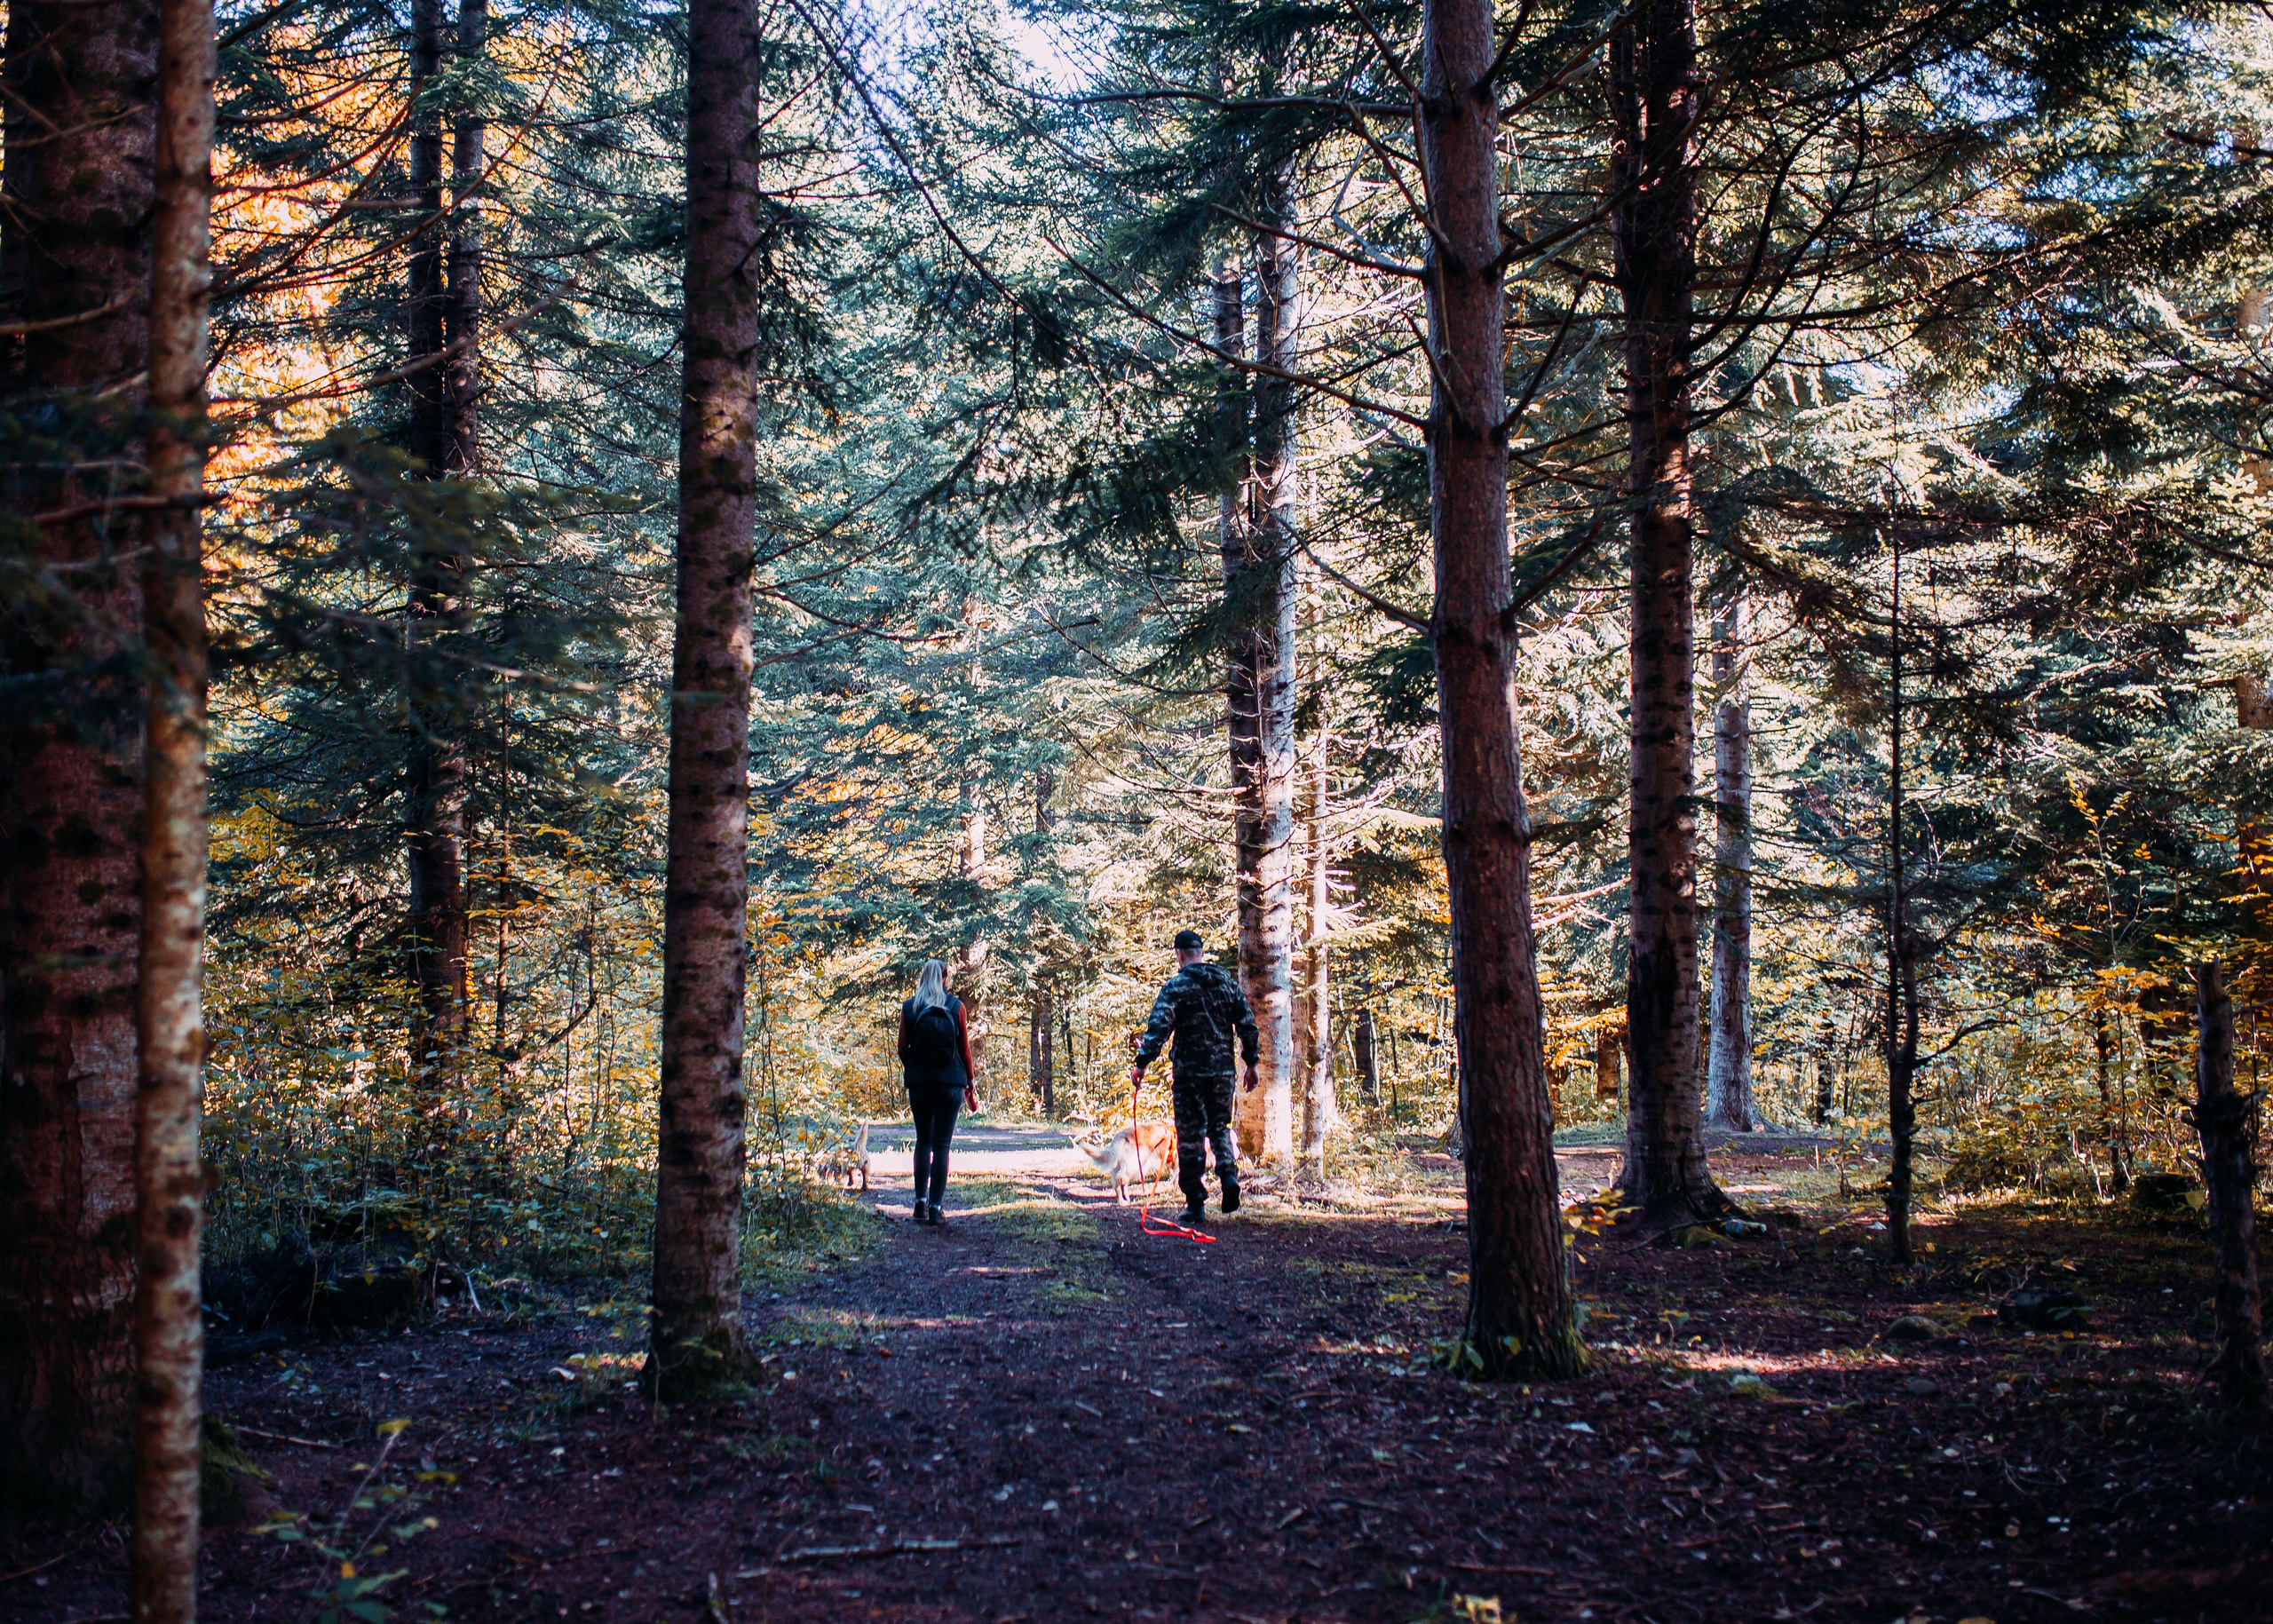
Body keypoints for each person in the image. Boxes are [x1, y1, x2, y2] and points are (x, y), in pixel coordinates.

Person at [1129, 930, 1259, 1225]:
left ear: (1179, 954)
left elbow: (1158, 1029)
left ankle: (1195, 1203)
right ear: (1201, 952)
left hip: (1189, 1074)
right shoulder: (1227, 984)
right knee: (1218, 1127)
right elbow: (1247, 1024)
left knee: (1190, 1136)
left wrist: (1142, 1065)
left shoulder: (1177, 986)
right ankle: (1228, 1175)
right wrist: (1251, 1063)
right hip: (1222, 1073)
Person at [898, 958, 977, 1225]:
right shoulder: (956, 1007)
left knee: (923, 1141)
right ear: (944, 980)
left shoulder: (910, 1007)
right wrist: (970, 1080)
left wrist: (916, 1068)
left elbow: (902, 1048)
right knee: (942, 1144)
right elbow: (964, 1049)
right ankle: (936, 1208)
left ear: (922, 978)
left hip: (920, 1083)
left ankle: (919, 1204)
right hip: (950, 1083)